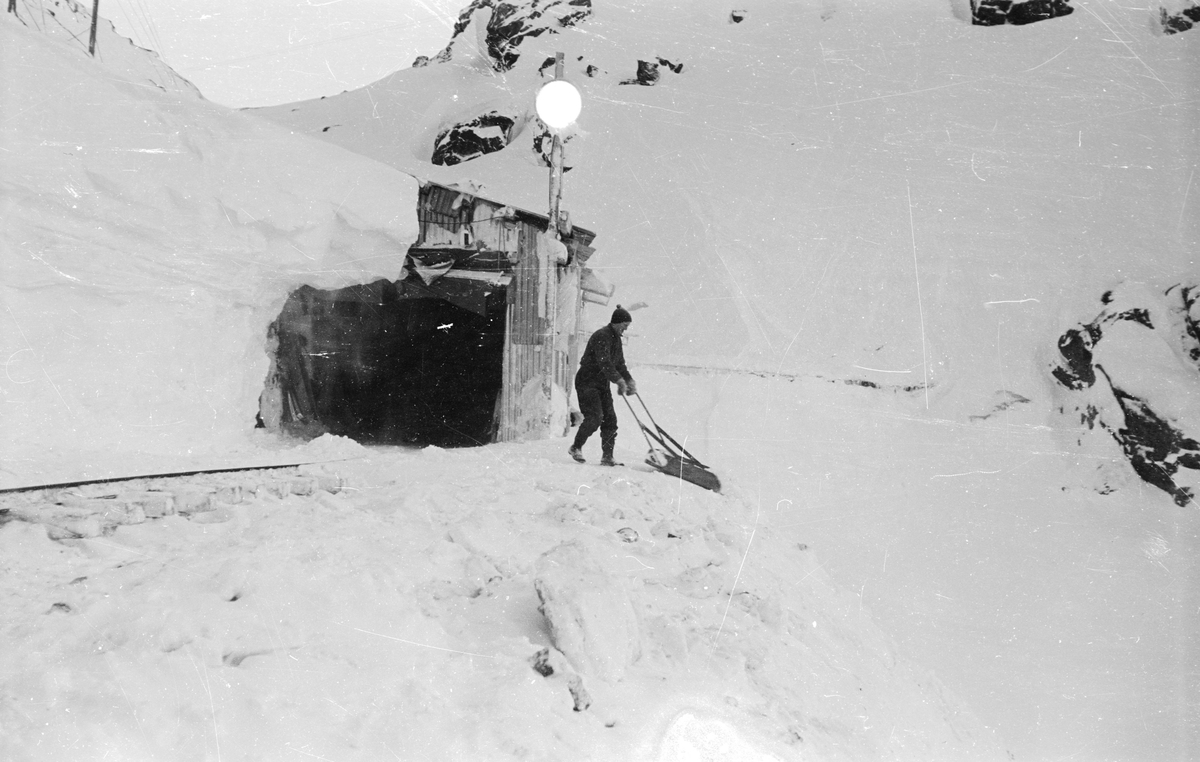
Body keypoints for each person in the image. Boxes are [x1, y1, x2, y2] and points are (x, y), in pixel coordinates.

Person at [568, 305, 637, 466]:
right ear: (617, 323)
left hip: (601, 382)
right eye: (624, 326)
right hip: (587, 380)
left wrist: (629, 380)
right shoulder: (602, 336)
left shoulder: (616, 339)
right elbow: (604, 362)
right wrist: (618, 380)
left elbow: (619, 364)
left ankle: (607, 456)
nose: (625, 330)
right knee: (595, 417)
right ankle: (575, 447)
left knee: (610, 420)